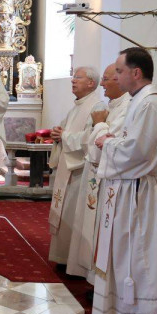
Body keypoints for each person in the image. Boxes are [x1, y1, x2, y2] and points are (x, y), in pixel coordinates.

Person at [92, 48, 157, 314]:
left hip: (138, 191)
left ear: (135, 73)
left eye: (120, 71)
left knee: (139, 257)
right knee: (128, 256)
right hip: (129, 188)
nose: (116, 76)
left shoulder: (151, 105)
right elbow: (132, 145)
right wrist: (114, 141)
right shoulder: (140, 102)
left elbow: (137, 153)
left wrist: (108, 141)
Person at [74, 63, 131, 285]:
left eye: (106, 80)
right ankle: (94, 278)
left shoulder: (126, 107)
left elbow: (105, 144)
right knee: (96, 229)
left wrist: (99, 124)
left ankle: (101, 282)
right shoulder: (112, 105)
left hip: (110, 177)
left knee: (105, 232)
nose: (103, 85)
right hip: (99, 173)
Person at [47, 66, 106, 278]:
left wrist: (64, 136)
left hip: (80, 170)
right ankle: (63, 257)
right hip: (68, 167)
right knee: (65, 214)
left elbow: (89, 138)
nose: (73, 81)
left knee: (73, 214)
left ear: (91, 82)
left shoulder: (97, 107)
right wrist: (57, 134)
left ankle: (74, 263)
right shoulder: (77, 107)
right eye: (73, 77)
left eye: (78, 78)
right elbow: (65, 131)